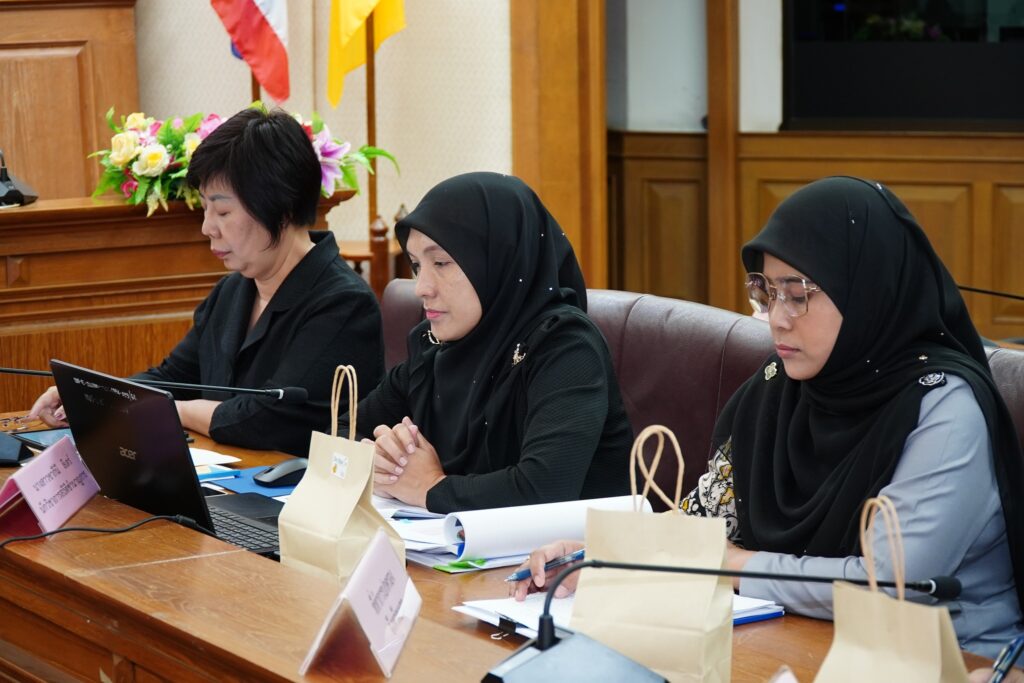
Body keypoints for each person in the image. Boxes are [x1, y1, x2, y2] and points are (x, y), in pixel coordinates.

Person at [512, 176, 1024, 659]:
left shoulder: (942, 407)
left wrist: (735, 565)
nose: (777, 318)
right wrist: (604, 555)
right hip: (793, 640)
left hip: (943, 658)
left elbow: (891, 582)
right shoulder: (782, 386)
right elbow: (705, 521)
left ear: (868, 292)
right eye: (767, 292)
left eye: (797, 296)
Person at [29, 108, 384, 456]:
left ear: (283, 208)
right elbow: (174, 377)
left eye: (223, 211)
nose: (207, 227)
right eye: (205, 209)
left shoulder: (344, 304)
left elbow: (265, 419)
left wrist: (169, 409)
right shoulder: (233, 291)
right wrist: (92, 396)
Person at [348, 172, 633, 513]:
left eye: (441, 263)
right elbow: (344, 430)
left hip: (569, 547)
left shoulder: (566, 347)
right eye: (416, 265)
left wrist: (430, 487)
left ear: (500, 260)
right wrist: (382, 457)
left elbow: (543, 489)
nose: (422, 287)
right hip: (447, 547)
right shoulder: (433, 347)